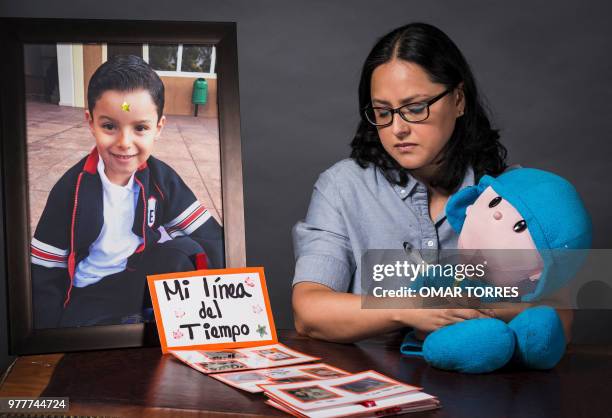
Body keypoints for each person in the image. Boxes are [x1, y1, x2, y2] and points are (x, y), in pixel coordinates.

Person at [291, 23, 573, 343]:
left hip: (483, 386)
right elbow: (309, 309)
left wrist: (467, 306)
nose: (397, 128)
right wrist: (408, 308)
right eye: (383, 113)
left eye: (415, 108)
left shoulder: (511, 195)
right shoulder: (342, 187)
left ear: (458, 100)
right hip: (374, 384)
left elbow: (557, 318)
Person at [31, 55, 224, 328]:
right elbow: (44, 270)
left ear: (158, 128)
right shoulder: (69, 191)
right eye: (109, 126)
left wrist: (233, 295)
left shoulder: (161, 178)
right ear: (90, 122)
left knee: (186, 251)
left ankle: (154, 323)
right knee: (73, 335)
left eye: (140, 128)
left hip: (139, 279)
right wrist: (46, 337)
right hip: (90, 293)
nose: (124, 143)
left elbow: (210, 236)